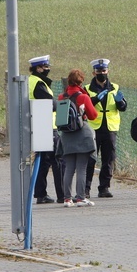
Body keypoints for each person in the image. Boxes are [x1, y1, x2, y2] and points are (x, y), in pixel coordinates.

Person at [84, 58, 127, 198]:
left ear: (108, 71)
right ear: (93, 73)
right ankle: (86, 188)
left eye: (104, 70)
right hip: (93, 127)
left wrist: (120, 102)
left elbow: (123, 107)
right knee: (90, 159)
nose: (101, 73)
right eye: (98, 71)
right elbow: (84, 107)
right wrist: (96, 98)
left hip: (110, 127)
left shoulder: (115, 87)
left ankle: (104, 187)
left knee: (108, 159)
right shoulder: (87, 89)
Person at [57, 69, 98, 207]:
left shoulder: (61, 97)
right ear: (81, 81)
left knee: (69, 168)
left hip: (66, 135)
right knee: (82, 168)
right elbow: (93, 116)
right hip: (81, 134)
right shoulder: (83, 97)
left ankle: (67, 199)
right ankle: (80, 198)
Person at [28, 55, 65, 204]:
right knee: (58, 160)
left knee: (43, 161)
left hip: (38, 125)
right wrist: (59, 104)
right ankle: (63, 195)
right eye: (45, 67)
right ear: (38, 68)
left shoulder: (33, 81)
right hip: (47, 127)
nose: (48, 69)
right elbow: (50, 104)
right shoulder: (38, 84)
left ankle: (41, 194)